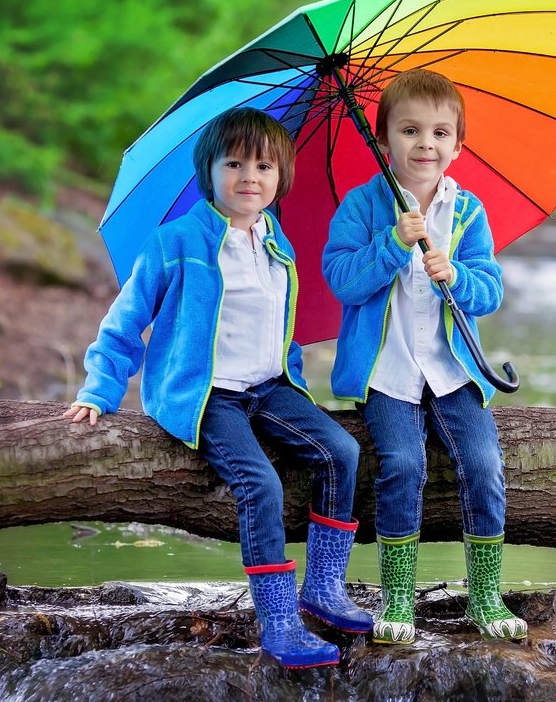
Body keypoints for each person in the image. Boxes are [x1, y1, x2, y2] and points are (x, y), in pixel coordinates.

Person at [64, 107, 372, 669]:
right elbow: (125, 320)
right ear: (209, 172)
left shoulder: (278, 244)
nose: (248, 177)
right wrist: (99, 390)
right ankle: (278, 621)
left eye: (263, 165)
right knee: (261, 484)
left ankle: (324, 589)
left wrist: (296, 387)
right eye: (234, 163)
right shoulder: (174, 242)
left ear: (280, 178)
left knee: (342, 451)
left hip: (268, 387)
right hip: (207, 394)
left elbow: (286, 332)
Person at [322, 69, 527, 644]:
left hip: (452, 371)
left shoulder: (468, 213)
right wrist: (392, 244)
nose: (425, 145)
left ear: (458, 146)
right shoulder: (364, 207)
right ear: (384, 138)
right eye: (410, 131)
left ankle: (485, 597)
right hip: (388, 373)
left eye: (440, 133)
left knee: (484, 464)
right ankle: (399, 599)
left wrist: (455, 274)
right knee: (404, 465)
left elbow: (490, 290)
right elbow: (341, 279)